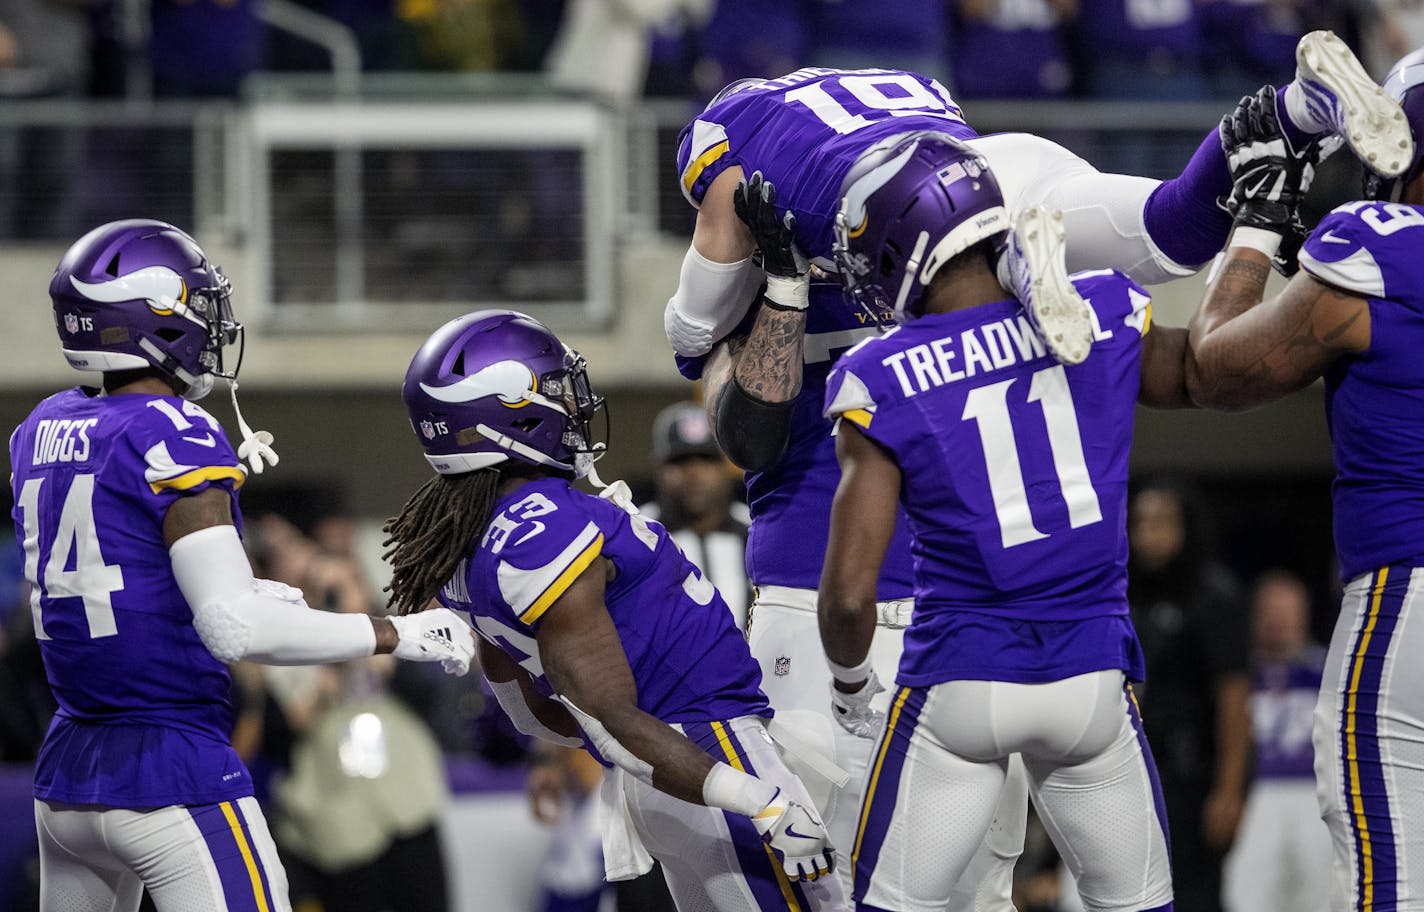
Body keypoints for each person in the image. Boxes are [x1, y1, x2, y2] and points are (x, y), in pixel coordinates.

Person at [664, 32, 1411, 902]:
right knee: (1163, 228)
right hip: (1070, 647)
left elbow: (693, 333)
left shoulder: (856, 341)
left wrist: (748, 303)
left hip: (932, 640)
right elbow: (1199, 354)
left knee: (869, 890)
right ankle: (1282, 115)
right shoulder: (1033, 258)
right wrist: (1251, 227)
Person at [9, 219, 476, 912]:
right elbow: (232, 627)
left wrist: (269, 593)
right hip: (169, 769)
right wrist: (395, 633)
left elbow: (138, 579)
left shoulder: (40, 429)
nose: (208, 321)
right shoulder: (173, 430)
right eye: (195, 304)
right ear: (149, 315)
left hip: (70, 771)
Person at [382, 309, 841, 911]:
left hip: (674, 767)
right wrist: (761, 800)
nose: (574, 403)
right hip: (710, 752)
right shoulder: (547, 529)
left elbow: (529, 712)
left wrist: (637, 748)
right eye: (555, 389)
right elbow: (609, 717)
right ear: (510, 409)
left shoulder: (467, 543)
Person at [1186, 48, 1424, 912]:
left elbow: (1214, 368)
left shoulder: (1380, 245)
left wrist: (1256, 223)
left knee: (1390, 885)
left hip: (1410, 599)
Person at [1127, 478, 1250, 912]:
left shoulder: (1215, 596)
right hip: (1134, 774)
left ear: (1188, 528)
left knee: (1195, 898)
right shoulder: (1126, 594)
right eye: (1140, 523)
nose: (1149, 535)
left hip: (1192, 777)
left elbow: (1234, 699)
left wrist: (1229, 790)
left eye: (1162, 522)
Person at [1222, 570, 1335, 912]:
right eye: (1271, 612)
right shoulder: (1235, 674)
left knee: (1321, 892)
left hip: (1316, 791)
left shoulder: (1329, 668)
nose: (1278, 622)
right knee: (1248, 891)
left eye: (1288, 612)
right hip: (1256, 790)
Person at [642, 399, 751, 630]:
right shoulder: (638, 533)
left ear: (725, 465)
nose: (694, 473)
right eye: (679, 460)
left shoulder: (754, 532)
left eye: (705, 459)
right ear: (657, 467)